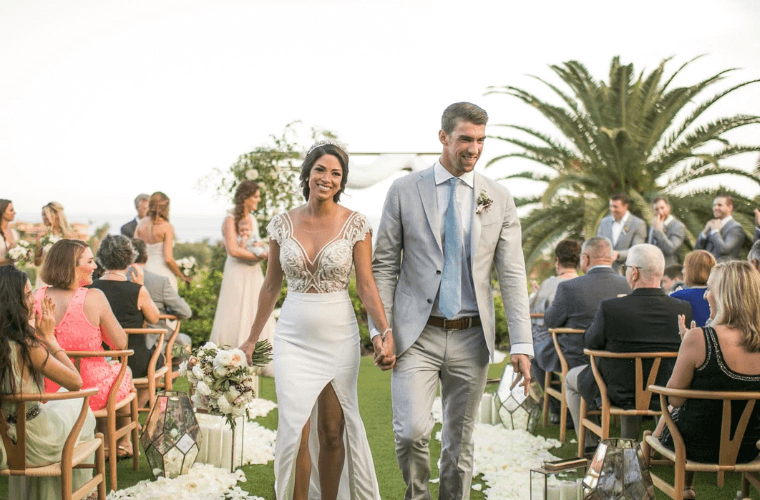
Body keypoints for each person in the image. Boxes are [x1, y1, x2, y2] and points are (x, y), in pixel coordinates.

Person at [371, 102, 533, 500]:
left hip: (472, 337)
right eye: (465, 139)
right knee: (411, 433)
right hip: (416, 335)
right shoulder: (405, 190)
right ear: (443, 137)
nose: (474, 149)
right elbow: (385, 265)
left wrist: (522, 344)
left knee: (459, 445)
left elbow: (512, 274)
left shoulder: (499, 197)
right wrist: (382, 329)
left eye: (480, 141)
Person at [240, 141, 394, 500]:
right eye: (321, 170)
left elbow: (366, 285)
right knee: (294, 432)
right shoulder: (281, 223)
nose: (327, 178)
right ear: (308, 174)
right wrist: (251, 339)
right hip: (292, 338)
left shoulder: (356, 224)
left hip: (339, 338)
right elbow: (270, 284)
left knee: (331, 431)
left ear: (342, 182)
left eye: (336, 174)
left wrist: (384, 331)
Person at [565, 244, 691, 453]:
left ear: (634, 272)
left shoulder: (611, 307)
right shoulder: (682, 308)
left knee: (571, 378)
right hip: (664, 393)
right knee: (634, 375)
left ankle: (588, 446)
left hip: (615, 392)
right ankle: (635, 447)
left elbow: (590, 343)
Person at [656, 261, 760, 500]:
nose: (705, 295)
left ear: (726, 296)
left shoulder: (699, 338)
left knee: (676, 409)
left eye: (710, 289)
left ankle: (683, 488)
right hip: (747, 449)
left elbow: (676, 399)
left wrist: (687, 348)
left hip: (693, 447)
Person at [0, 265, 97, 499]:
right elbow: (76, 382)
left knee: (59, 406)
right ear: (13, 302)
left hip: (4, 443)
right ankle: (86, 493)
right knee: (81, 408)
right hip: (35, 443)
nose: (33, 299)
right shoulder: (26, 346)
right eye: (26, 294)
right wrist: (50, 340)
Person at [34, 239, 134, 458]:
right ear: (72, 266)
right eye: (90, 261)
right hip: (89, 392)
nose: (95, 267)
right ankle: (118, 442)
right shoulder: (94, 297)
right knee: (123, 370)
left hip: (44, 389)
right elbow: (120, 344)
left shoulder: (36, 297)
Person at [541, 237, 631, 423]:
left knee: (540, 351)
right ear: (611, 258)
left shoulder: (568, 288)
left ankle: (563, 415)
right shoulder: (628, 285)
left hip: (580, 360)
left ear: (585, 259)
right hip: (620, 364)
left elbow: (550, 321)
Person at [210, 180, 275, 377]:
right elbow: (233, 250)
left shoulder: (253, 219)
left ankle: (258, 355)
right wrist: (261, 256)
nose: (258, 200)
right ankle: (230, 357)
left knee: (256, 307)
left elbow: (254, 242)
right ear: (245, 198)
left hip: (253, 271)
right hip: (237, 271)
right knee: (234, 309)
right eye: (255, 196)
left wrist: (262, 248)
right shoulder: (230, 220)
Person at [89, 235, 160, 395]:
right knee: (159, 362)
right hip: (133, 358)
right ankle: (138, 405)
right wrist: (140, 286)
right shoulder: (137, 290)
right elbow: (154, 318)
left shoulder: (90, 288)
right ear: (130, 260)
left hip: (97, 358)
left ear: (101, 259)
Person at [529, 239, 580, 421]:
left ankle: (558, 410)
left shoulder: (550, 283)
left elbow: (535, 313)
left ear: (557, 261)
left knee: (533, 352)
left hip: (559, 349)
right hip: (584, 349)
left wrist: (535, 295)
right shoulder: (583, 282)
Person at [129, 238, 193, 353]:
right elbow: (186, 312)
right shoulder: (160, 282)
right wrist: (166, 311)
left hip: (121, 344)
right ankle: (169, 370)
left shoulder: (116, 281)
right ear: (147, 257)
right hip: (154, 343)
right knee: (185, 341)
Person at [134, 192, 191, 291]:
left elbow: (134, 251)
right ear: (166, 207)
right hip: (163, 274)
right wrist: (181, 276)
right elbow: (168, 259)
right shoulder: (167, 227)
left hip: (144, 273)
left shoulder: (141, 224)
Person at [596, 193, 647, 274]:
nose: (612, 209)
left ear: (625, 206)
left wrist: (619, 254)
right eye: (611, 206)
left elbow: (637, 250)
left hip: (626, 273)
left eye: (615, 207)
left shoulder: (638, 224)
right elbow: (598, 244)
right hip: (604, 272)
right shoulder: (603, 222)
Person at [34, 202, 75, 288]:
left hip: (63, 277)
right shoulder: (41, 236)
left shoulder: (69, 236)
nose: (43, 218)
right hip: (44, 278)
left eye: (45, 214)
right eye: (42, 215)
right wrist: (42, 258)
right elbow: (36, 262)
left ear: (56, 214)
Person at [670, 250, 715, 327]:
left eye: (685, 267)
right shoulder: (719, 296)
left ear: (692, 270)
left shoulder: (678, 296)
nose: (682, 271)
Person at [694, 195, 745, 261]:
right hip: (707, 269)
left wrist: (715, 231)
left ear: (730, 207)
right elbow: (696, 251)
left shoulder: (736, 228)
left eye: (719, 205)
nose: (715, 208)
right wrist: (704, 232)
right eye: (714, 205)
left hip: (724, 270)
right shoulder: (712, 226)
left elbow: (724, 249)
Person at [648, 196, 685, 267]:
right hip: (653, 267)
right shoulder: (654, 224)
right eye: (656, 209)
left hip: (668, 268)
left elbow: (671, 249)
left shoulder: (678, 226)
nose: (660, 212)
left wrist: (659, 231)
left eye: (662, 208)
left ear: (668, 207)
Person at [0, 199, 19, 266]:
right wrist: (8, 261)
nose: (14, 212)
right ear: (2, 212)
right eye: (11, 210)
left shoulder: (14, 233)